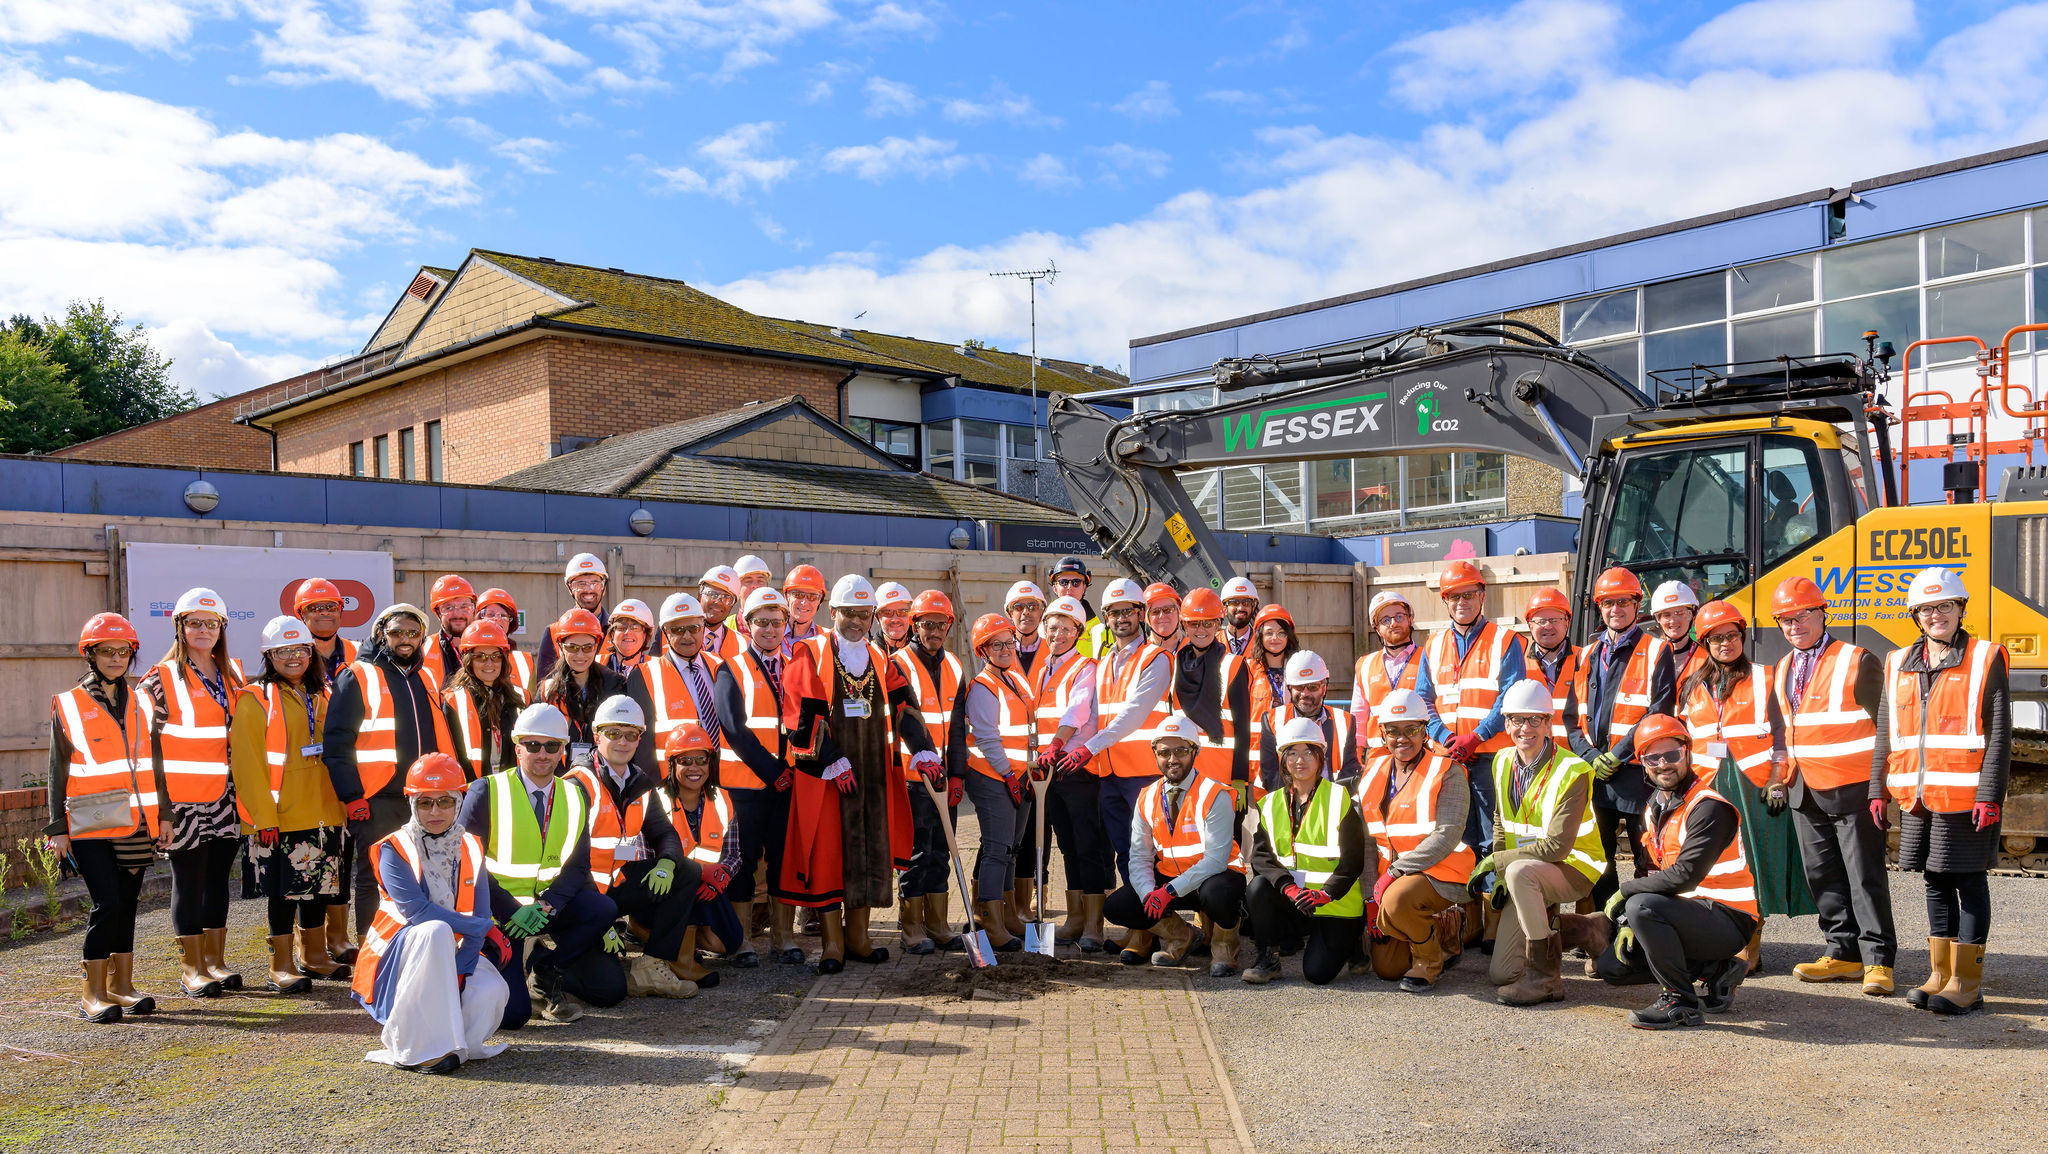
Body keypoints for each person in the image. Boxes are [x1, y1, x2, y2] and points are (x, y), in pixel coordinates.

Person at [779, 575, 939, 971]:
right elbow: (800, 714)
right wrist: (831, 759)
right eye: (849, 613)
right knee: (831, 856)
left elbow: (904, 706)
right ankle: (833, 944)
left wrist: (923, 750)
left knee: (869, 854)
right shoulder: (809, 651)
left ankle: (859, 939)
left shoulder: (881, 657)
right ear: (832, 612)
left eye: (864, 614)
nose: (856, 621)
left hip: (873, 776)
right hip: (830, 777)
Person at [1575, 715, 1756, 1030]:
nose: (1663, 764)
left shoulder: (1708, 807)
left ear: (1687, 752)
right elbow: (1650, 869)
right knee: (1613, 968)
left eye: (1671, 754)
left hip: (1727, 918)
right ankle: (1716, 969)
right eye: (1652, 757)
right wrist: (1633, 923)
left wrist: (1628, 897)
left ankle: (1680, 1002)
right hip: (1685, 913)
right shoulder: (1655, 804)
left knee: (1640, 905)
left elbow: (1685, 875)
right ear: (1642, 763)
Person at [1885, 566, 2009, 1016]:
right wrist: (1881, 789)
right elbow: (1888, 729)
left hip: (1965, 795)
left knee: (1969, 882)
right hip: (1917, 797)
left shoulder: (1983, 657)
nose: (1936, 615)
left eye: (1945, 606)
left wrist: (1990, 795)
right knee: (1934, 879)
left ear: (1961, 609)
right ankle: (1941, 974)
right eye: (1927, 608)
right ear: (1915, 614)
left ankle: (1968, 984)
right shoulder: (1899, 661)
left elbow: (1999, 734)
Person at [352, 754, 517, 1074]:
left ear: (459, 801)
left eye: (445, 801)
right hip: (399, 957)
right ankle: (417, 1050)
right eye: (425, 803)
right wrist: (477, 927)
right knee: (435, 929)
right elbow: (418, 912)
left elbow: (482, 914)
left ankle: (456, 1045)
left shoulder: (470, 845)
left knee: (491, 991)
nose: (436, 811)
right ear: (412, 804)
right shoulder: (394, 847)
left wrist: (460, 970)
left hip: (451, 947)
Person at [1770, 575, 1896, 995]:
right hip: (1804, 789)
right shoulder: (1784, 666)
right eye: (1785, 619)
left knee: (1865, 876)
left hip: (1853, 786)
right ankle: (1842, 952)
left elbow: (1886, 729)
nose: (1794, 626)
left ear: (1823, 613)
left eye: (1803, 615)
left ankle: (1878, 961)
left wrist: (1881, 788)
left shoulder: (1857, 659)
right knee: (1822, 875)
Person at [461, 702, 623, 1021]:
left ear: (562, 748)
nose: (543, 754)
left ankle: (546, 968)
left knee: (604, 916)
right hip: (499, 915)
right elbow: (468, 863)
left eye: (551, 745)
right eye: (533, 745)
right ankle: (493, 969)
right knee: (513, 1017)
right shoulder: (486, 791)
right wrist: (512, 911)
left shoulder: (575, 796)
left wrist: (546, 906)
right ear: (517, 747)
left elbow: (577, 866)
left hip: (541, 911)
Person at [1678, 600, 1812, 974]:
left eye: (1732, 635)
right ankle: (1718, 937)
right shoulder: (1692, 685)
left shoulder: (1766, 677)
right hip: (1708, 787)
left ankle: (1749, 942)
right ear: (1704, 642)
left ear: (1742, 636)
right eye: (1717, 637)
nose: (1726, 643)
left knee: (1754, 866)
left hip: (1753, 788)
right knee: (1714, 865)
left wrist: (1777, 779)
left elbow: (1785, 735)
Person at [48, 613, 163, 1022]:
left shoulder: (143, 701)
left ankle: (121, 986)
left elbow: (155, 763)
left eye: (123, 651)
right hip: (90, 821)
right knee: (107, 901)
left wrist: (163, 814)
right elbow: (57, 769)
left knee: (129, 903)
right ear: (90, 654)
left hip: (135, 820)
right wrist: (57, 828)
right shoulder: (69, 703)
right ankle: (92, 993)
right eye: (106, 651)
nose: (116, 658)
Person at [325, 603, 457, 946]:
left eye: (413, 633)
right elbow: (337, 744)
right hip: (376, 797)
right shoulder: (358, 674)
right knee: (375, 875)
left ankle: (413, 945)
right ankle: (374, 952)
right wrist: (352, 796)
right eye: (397, 631)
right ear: (381, 634)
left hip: (423, 797)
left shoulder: (424, 677)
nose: (405, 639)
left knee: (422, 871)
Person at [232, 616, 351, 995]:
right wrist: (262, 816)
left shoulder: (327, 694)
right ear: (269, 656)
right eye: (282, 651)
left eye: (300, 649)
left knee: (320, 888)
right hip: (281, 816)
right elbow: (247, 765)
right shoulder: (255, 698)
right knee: (284, 893)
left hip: (325, 811)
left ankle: (314, 956)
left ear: (311, 652)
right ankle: (280, 965)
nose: (293, 657)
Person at [141, 586, 246, 997]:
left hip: (226, 797)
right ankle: (192, 969)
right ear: (179, 627)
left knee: (220, 879)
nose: (203, 630)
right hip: (181, 802)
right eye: (194, 623)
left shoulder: (233, 676)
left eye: (211, 623)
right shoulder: (159, 680)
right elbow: (144, 750)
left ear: (222, 628)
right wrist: (160, 810)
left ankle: (215, 962)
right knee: (190, 880)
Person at [1474, 679, 1604, 1006]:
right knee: (1502, 973)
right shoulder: (1502, 760)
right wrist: (1504, 871)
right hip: (1526, 870)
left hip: (1574, 867)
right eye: (1517, 719)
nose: (1525, 728)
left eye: (1535, 719)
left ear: (1549, 722)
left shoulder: (1573, 771)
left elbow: (1557, 848)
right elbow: (1502, 821)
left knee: (1521, 874)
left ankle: (1545, 979)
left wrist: (1501, 865)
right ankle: (1588, 929)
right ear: (1506, 723)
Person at [566, 695, 701, 999]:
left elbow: (666, 834)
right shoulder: (578, 784)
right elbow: (565, 864)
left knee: (686, 871)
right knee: (609, 992)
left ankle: (651, 966)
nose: (623, 742)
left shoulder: (638, 782)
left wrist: (667, 863)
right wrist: (600, 923)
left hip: (614, 885)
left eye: (631, 734)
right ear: (596, 735)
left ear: (640, 738)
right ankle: (542, 963)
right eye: (613, 733)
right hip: (578, 896)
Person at [1568, 567, 1675, 913]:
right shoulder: (1585, 655)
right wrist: (1589, 755)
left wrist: (1616, 754)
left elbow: (1658, 712)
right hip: (1596, 776)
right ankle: (1607, 927)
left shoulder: (1658, 651)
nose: (1617, 609)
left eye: (1624, 602)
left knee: (1650, 856)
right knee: (1600, 859)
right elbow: (1572, 718)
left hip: (1638, 774)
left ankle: (1646, 927)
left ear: (1637, 604)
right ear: (1600, 607)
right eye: (1609, 602)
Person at [1102, 714, 1246, 968]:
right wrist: (1149, 895)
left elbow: (1215, 860)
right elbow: (1139, 857)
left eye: (1180, 750)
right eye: (1164, 752)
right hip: (1171, 881)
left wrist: (1168, 892)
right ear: (1155, 754)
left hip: (1213, 878)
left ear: (1195, 751)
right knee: (1118, 906)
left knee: (1219, 893)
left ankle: (1225, 947)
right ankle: (1183, 937)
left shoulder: (1215, 794)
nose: (1172, 759)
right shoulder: (1146, 797)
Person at [1055, 578, 1170, 890]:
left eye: (1128, 611)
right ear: (1105, 617)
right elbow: (1091, 715)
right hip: (1110, 774)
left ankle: (1163, 926)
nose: (1121, 619)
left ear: (1141, 614)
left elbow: (1133, 714)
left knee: (1150, 853)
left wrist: (1087, 748)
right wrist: (1063, 745)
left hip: (1144, 775)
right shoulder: (1104, 663)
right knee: (1125, 853)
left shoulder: (1155, 658)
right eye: (1114, 613)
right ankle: (1142, 931)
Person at [1242, 717, 1370, 986]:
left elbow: (1353, 862)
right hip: (1297, 900)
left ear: (1320, 757)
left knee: (1317, 975)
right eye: (1292, 753)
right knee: (1257, 888)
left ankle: (1353, 942)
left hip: (1335, 902)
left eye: (1308, 752)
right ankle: (1268, 959)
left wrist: (1325, 894)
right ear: (1282, 759)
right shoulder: (1270, 803)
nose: (1300, 760)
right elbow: (1262, 857)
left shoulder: (1339, 798)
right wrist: (1289, 889)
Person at [1361, 689, 1474, 993]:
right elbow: (1369, 842)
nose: (1402, 738)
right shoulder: (1372, 773)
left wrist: (1393, 875)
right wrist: (1370, 900)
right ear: (1382, 733)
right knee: (1387, 969)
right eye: (1393, 731)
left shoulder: (1448, 771)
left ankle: (1429, 961)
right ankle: (1441, 927)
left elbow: (1447, 834)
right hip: (1392, 879)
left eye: (1411, 729)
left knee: (1397, 902)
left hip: (1442, 872)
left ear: (1425, 731)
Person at [1425, 560, 1524, 892]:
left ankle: (1494, 921)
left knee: (1492, 837)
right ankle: (1463, 917)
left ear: (1482, 596)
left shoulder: (1505, 640)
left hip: (1489, 758)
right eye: (1454, 596)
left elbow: (1509, 696)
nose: (1462, 602)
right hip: (1447, 759)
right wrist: (1445, 737)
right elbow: (1423, 698)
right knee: (1454, 837)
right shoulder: (1433, 644)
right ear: (1445, 601)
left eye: (1469, 595)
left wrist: (1476, 736)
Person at [714, 587, 799, 965]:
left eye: (777, 622)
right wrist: (772, 771)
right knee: (744, 862)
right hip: (745, 785)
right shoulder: (730, 667)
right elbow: (733, 727)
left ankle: (783, 937)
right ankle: (742, 940)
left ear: (786, 625)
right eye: (761, 622)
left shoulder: (798, 664)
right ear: (747, 625)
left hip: (789, 784)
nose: (770, 629)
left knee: (783, 859)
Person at [888, 590, 968, 955]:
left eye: (941, 624)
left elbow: (956, 729)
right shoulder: (898, 663)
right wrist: (924, 761)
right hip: (912, 776)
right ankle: (912, 926)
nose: (934, 631)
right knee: (917, 851)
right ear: (914, 625)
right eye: (927, 624)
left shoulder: (954, 665)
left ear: (949, 626)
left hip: (943, 778)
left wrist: (957, 775)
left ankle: (938, 924)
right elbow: (903, 720)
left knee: (941, 850)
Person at [954, 613, 1038, 951]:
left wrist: (1027, 771)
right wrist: (1008, 775)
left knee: (1013, 849)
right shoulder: (983, 688)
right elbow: (988, 738)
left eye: (1008, 643)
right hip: (993, 777)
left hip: (1018, 776)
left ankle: (1008, 916)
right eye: (996, 644)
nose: (1005, 649)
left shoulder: (1016, 681)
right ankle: (989, 921)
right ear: (982, 650)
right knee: (997, 849)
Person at [1033, 595, 1111, 952]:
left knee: (1088, 845)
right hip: (1050, 771)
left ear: (1078, 631)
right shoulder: (1040, 667)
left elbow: (1077, 711)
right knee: (1066, 845)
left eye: (1066, 629)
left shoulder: (1085, 667)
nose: (1058, 634)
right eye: (1053, 628)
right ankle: (1075, 918)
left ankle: (1095, 924)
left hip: (1076, 768)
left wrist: (1056, 743)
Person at [657, 722, 746, 970]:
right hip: (666, 892)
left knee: (728, 942)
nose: (694, 768)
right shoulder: (655, 802)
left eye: (701, 760)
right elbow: (645, 859)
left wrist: (723, 873)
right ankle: (649, 933)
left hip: (707, 890)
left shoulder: (722, 800)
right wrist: (695, 874)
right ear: (671, 764)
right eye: (685, 761)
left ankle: (687, 938)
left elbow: (734, 854)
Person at [627, 592, 725, 782]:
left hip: (720, 779)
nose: (687, 636)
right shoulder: (644, 675)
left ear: (703, 627)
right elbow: (642, 745)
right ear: (665, 632)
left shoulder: (720, 665)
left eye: (694, 628)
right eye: (678, 630)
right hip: (669, 784)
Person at [1169, 588, 1252, 810]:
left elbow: (1243, 728)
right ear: (1184, 626)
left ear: (1218, 624)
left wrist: (1239, 779)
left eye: (1207, 623)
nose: (1201, 630)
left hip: (1222, 779)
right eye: (1194, 623)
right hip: (1184, 777)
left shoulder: (1233, 665)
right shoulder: (1174, 664)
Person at [532, 607, 630, 772]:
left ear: (596, 646)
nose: (580, 655)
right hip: (559, 778)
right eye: (572, 647)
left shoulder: (616, 685)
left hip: (604, 776)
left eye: (587, 648)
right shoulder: (547, 692)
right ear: (561, 647)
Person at [1255, 651, 1359, 796]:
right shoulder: (1272, 720)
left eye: (1312, 687)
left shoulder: (1345, 721)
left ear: (1324, 687)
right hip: (1288, 804)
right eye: (1299, 687)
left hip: (1331, 803)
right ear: (1289, 688)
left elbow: (1350, 772)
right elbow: (1270, 775)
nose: (1305, 693)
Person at [1351, 591, 1439, 762]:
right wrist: (1356, 750)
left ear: (1410, 619)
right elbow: (1358, 714)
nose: (1393, 623)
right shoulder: (1365, 665)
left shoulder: (1429, 657)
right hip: (1378, 755)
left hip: (1421, 751)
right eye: (1385, 620)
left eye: (1399, 616)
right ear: (1377, 628)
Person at [442, 620, 521, 781]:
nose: (489, 663)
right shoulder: (453, 700)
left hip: (513, 788)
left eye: (495, 656)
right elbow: (450, 754)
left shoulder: (519, 698)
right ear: (468, 660)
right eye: (480, 657)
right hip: (472, 790)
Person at [536, 552, 610, 681]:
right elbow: (544, 687)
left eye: (595, 582)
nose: (588, 589)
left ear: (603, 587)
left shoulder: (616, 632)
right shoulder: (553, 633)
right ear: (569, 588)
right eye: (581, 584)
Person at [1521, 587, 1579, 744]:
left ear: (1567, 623)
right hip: (1534, 756)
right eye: (1540, 621)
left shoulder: (1586, 659)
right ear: (1530, 625)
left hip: (1577, 757)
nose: (1548, 626)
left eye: (1555, 620)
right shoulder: (1519, 664)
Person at [472, 588, 534, 700]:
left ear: (511, 622)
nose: (497, 619)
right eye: (490, 614)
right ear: (479, 618)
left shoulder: (525, 661)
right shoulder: (468, 656)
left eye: (503, 615)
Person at [294, 578, 359, 682]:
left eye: (331, 607)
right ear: (301, 614)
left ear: (340, 611)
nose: (325, 612)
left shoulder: (360, 651)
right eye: (315, 608)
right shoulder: (290, 656)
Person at [1247, 604, 1299, 732]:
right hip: (1257, 747)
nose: (1275, 638)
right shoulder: (1247, 669)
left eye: (1281, 633)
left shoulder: (1298, 668)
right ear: (1260, 636)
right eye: (1269, 633)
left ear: (1288, 636)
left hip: (1291, 744)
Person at [1650, 581, 1707, 691]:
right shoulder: (1648, 657)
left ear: (1692, 615)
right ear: (1658, 620)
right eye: (1666, 615)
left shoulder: (1707, 659)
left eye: (1680, 613)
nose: (1673, 621)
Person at [1047, 555, 1108, 657]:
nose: (1070, 587)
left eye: (1076, 582)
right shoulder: (1040, 629)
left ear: (1084, 587)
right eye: (1063, 582)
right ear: (1054, 588)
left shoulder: (1100, 632)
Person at [425, 574, 476, 689]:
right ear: (437, 613)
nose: (457, 614)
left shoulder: (487, 648)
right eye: (448, 608)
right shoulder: (423, 650)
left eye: (464, 607)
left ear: (474, 609)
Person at [699, 566, 745, 661]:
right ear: (700, 595)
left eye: (727, 597)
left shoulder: (743, 644)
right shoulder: (674, 634)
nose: (718, 602)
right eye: (712, 594)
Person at [781, 564, 827, 656]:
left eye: (812, 597)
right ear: (786, 597)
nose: (804, 602)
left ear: (820, 601)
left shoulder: (828, 639)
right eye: (798, 595)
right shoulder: (771, 636)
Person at [602, 599, 656, 677]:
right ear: (613, 634)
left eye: (635, 627)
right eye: (621, 627)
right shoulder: (596, 666)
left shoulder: (657, 670)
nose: (628, 632)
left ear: (645, 635)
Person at [1218, 576, 1260, 656]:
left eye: (1246, 603)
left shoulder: (1263, 643)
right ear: (1224, 608)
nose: (1240, 608)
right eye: (1234, 602)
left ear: (1253, 607)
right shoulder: (1213, 643)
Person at [874, 582, 914, 652]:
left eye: (902, 612)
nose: (895, 619)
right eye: (887, 613)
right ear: (877, 617)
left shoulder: (927, 651)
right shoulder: (867, 653)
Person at [1142, 582, 1182, 652]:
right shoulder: (1140, 655)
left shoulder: (1196, 650)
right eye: (1155, 611)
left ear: (1178, 612)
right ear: (1147, 618)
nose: (1162, 616)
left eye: (1167, 610)